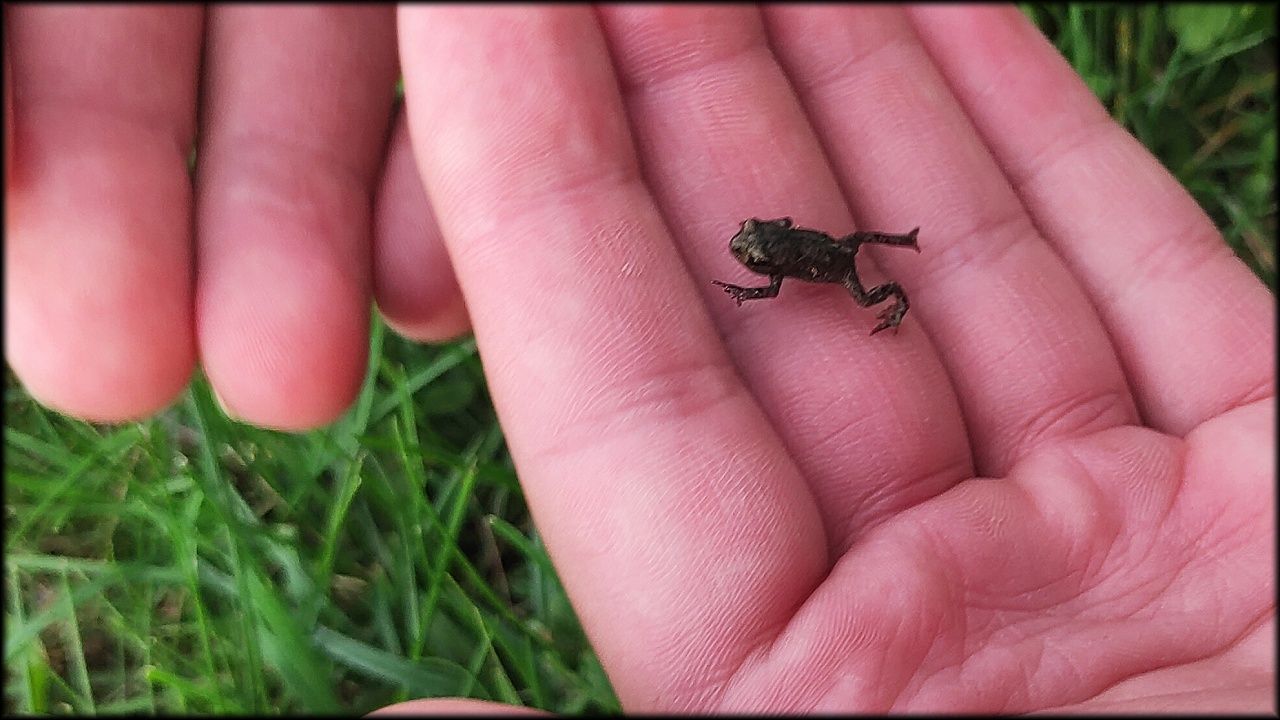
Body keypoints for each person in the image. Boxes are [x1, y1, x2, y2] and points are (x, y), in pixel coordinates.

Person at [5, 5, 1274, 714]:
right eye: (749, 250)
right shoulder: (775, 246)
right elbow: (771, 246)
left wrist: (799, 280)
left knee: (865, 264)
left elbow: (786, 258)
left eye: (748, 248)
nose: (747, 252)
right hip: (821, 246)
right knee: (851, 252)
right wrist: (763, 266)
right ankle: (877, 281)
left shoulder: (791, 260)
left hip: (834, 254)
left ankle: (886, 296)